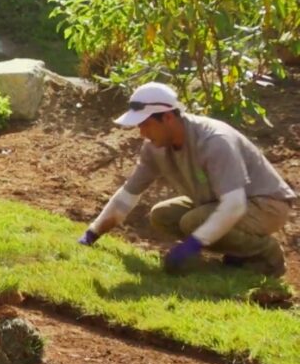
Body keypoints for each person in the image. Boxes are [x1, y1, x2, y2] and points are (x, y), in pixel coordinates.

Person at [78, 82, 296, 276]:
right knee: (162, 215)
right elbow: (128, 194)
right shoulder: (155, 148)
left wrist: (193, 244)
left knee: (194, 221)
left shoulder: (214, 141)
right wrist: (92, 234)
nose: (142, 132)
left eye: (146, 124)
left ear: (168, 117)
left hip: (267, 205)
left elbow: (234, 205)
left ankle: (267, 255)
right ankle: (238, 252)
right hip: (220, 202)